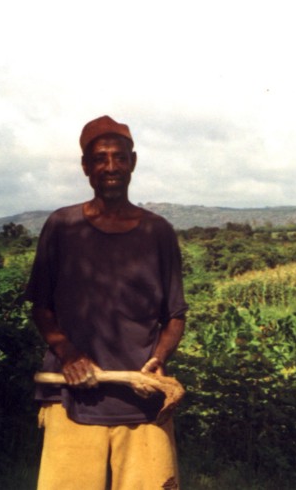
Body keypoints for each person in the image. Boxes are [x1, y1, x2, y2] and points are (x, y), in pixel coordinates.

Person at [26, 115, 188, 490]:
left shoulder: (158, 232)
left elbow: (175, 315)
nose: (110, 167)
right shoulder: (61, 227)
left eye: (119, 157)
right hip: (71, 398)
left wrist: (158, 361)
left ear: (133, 162)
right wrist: (68, 353)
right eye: (100, 158)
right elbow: (41, 306)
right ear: (86, 167)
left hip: (143, 401)